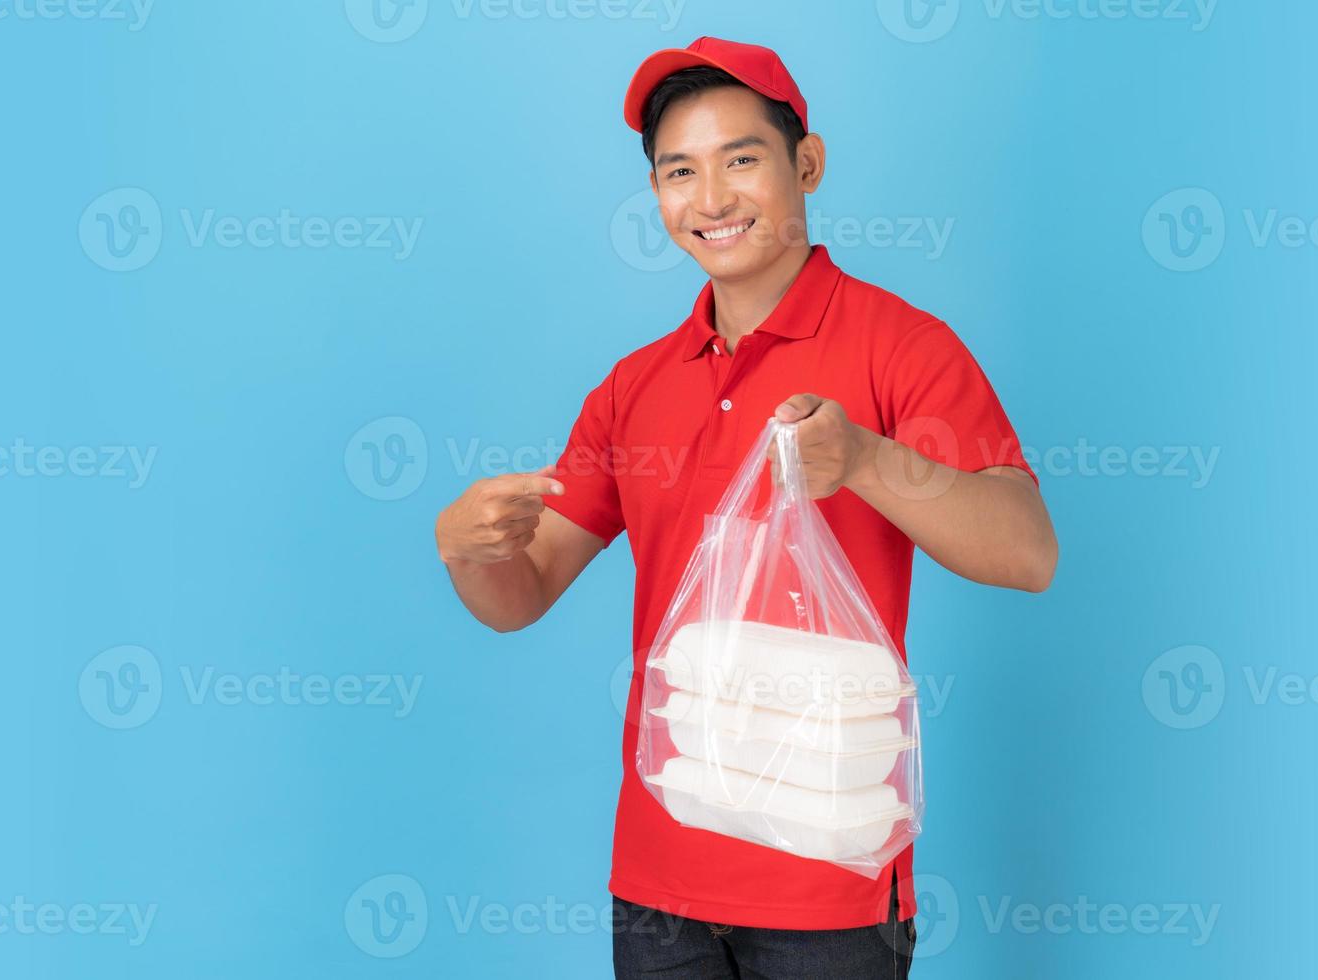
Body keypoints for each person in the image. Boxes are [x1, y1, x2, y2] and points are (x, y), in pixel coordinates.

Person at [435, 35, 1058, 980]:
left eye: (742, 159)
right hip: (659, 874)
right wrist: (464, 550)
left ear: (806, 164)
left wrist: (866, 459)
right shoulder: (633, 387)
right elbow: (523, 595)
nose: (712, 199)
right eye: (679, 171)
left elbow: (1028, 552)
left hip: (831, 878)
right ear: (656, 195)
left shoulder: (903, 348)